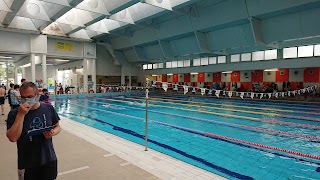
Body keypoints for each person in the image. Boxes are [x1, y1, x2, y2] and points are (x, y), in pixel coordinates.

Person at [6, 82, 61, 180]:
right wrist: (21, 114)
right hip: (27, 163)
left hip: (49, 158)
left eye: (29, 97)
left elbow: (57, 127)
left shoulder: (48, 108)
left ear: (37, 96)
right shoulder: (14, 114)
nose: (26, 100)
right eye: (23, 97)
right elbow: (12, 137)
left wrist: (52, 133)